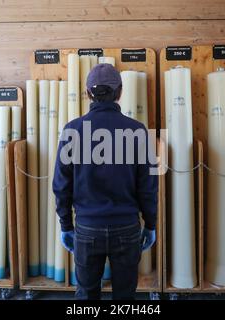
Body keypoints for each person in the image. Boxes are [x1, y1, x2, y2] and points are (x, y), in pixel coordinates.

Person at [53, 63, 158, 300]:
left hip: (87, 228)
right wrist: (150, 224)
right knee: (124, 297)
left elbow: (61, 185)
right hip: (127, 228)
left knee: (87, 295)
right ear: (119, 92)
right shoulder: (138, 131)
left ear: (89, 93)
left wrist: (65, 224)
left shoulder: (72, 130)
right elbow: (149, 187)